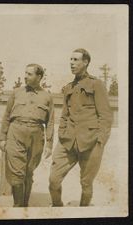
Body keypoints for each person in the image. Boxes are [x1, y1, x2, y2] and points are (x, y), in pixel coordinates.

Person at [49, 49, 113, 207]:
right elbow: (64, 114)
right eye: (70, 59)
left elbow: (105, 116)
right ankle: (57, 208)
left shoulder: (96, 84)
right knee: (53, 180)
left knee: (86, 183)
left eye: (76, 60)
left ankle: (84, 213)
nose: (72, 63)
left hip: (90, 143)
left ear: (86, 62)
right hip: (67, 142)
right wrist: (62, 133)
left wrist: (100, 142)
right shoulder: (68, 87)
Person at [0, 64, 54, 207]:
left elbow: (50, 122)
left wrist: (49, 144)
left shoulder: (47, 96)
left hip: (36, 136)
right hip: (15, 132)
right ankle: (18, 206)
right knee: (17, 173)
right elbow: (6, 116)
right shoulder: (16, 92)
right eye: (25, 73)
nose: (25, 76)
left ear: (39, 77)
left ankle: (25, 205)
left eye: (29, 74)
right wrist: (2, 138)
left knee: (28, 173)